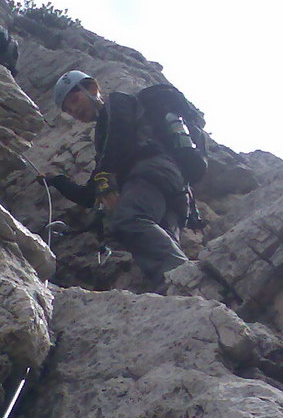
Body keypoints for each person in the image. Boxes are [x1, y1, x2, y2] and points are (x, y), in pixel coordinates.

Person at [49, 70, 204, 286]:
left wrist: (105, 175)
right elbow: (90, 194)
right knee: (162, 241)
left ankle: (187, 282)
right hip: (175, 191)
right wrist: (59, 182)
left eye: (74, 99)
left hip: (151, 173)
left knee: (127, 219)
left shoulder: (117, 103)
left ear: (93, 88)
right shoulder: (108, 137)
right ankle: (181, 288)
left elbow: (118, 136)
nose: (74, 110)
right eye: (68, 110)